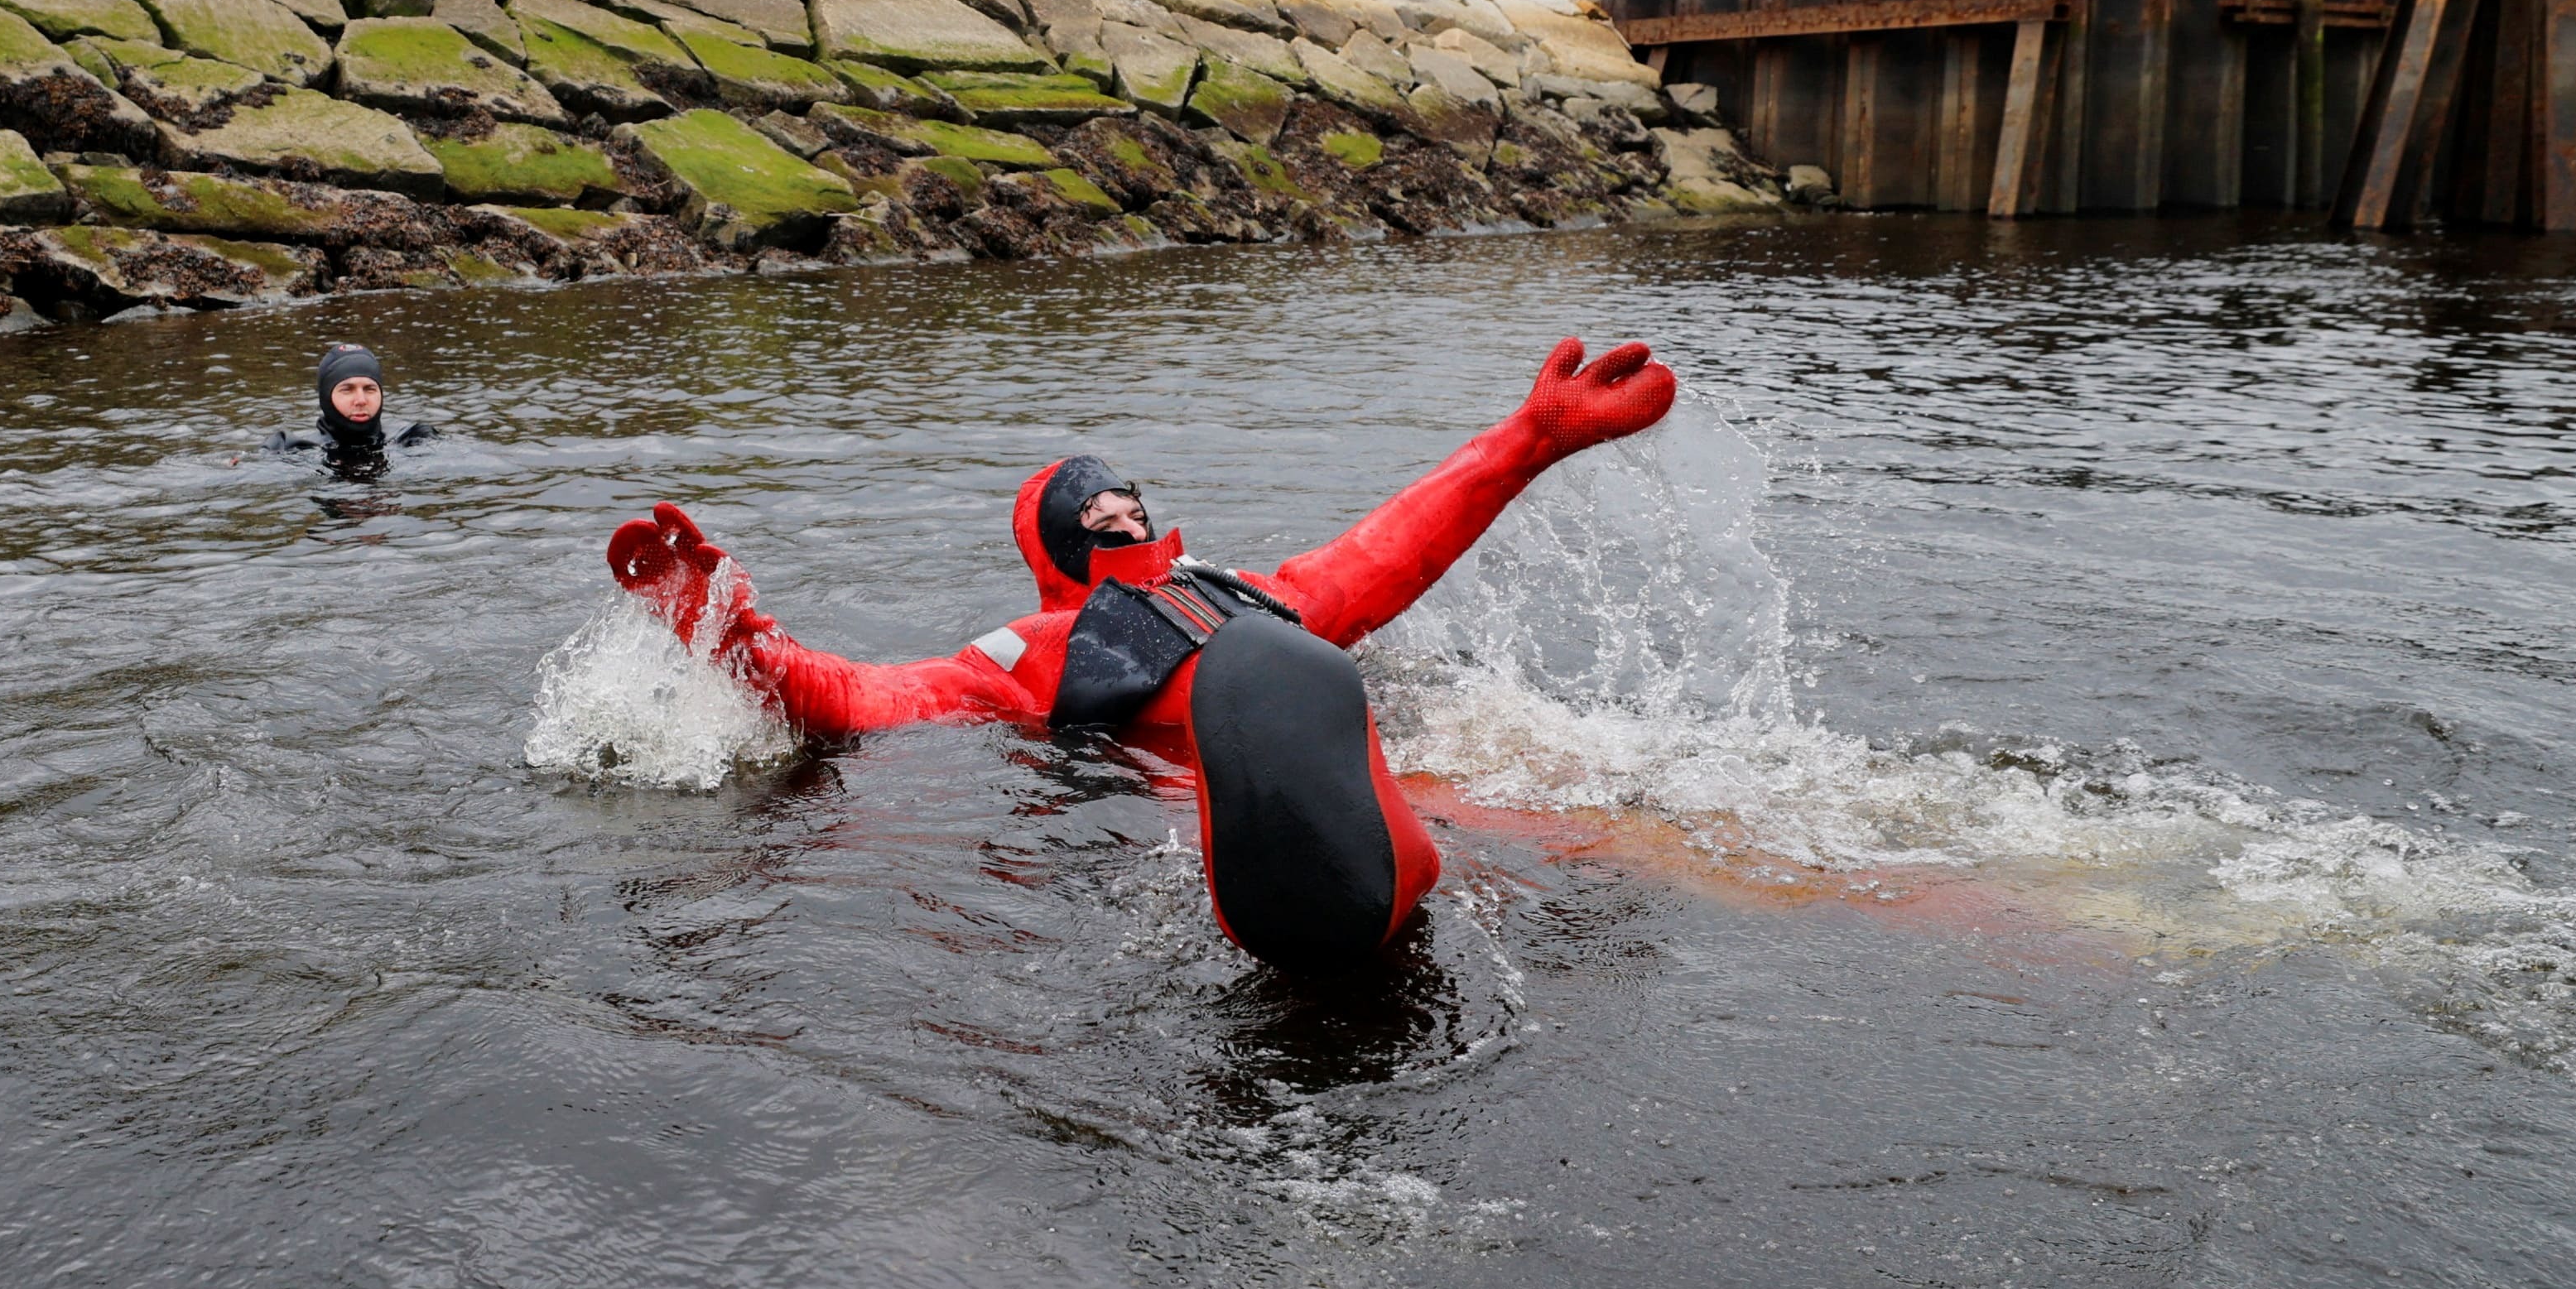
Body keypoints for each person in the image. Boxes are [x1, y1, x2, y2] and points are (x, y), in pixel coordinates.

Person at [605, 339, 1680, 969]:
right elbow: (852, 695)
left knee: (1606, 838)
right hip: (1193, 809)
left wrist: (1529, 439)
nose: (1123, 516)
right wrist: (734, 631)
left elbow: (1395, 539)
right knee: (1441, 821)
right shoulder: (1019, 651)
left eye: (1130, 502)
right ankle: (1339, 867)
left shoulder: (1249, 593)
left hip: (1346, 769)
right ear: (1065, 541)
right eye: (1099, 512)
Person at [282, 344, 436, 474]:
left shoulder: (413, 438)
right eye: (347, 389)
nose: (361, 400)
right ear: (326, 397)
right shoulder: (291, 450)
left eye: (370, 389)